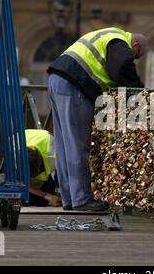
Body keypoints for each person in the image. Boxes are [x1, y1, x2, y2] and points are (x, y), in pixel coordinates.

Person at [47, 27, 148, 212]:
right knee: (78, 144)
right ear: (135, 45)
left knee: (64, 144)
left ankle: (69, 198)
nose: (134, 59)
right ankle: (81, 200)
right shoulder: (120, 43)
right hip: (73, 84)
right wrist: (138, 92)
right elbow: (122, 68)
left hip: (57, 79)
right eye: (136, 56)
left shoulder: (109, 35)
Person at [26, 129, 62, 207]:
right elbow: (23, 183)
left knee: (43, 201)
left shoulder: (52, 155)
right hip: (29, 139)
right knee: (20, 199)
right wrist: (47, 196)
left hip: (46, 142)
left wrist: (57, 194)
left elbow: (60, 177)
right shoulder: (13, 158)